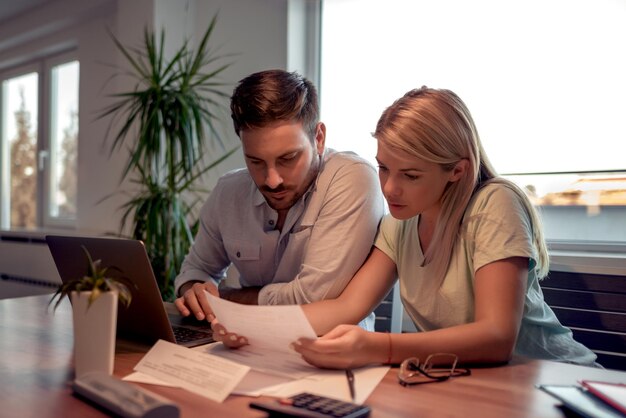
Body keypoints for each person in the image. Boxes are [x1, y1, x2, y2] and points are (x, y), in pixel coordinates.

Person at [287, 87, 598, 369]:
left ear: (457, 171)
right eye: (383, 168)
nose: (389, 189)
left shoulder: (495, 203)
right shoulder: (399, 221)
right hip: (478, 384)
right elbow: (346, 307)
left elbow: (497, 338)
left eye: (410, 175)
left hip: (561, 381)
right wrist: (250, 324)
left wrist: (378, 346)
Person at [173, 69, 385, 332]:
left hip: (330, 354)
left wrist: (227, 299)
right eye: (256, 161)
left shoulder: (352, 178)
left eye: (288, 159)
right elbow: (195, 270)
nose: (272, 180)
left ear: (318, 138)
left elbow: (315, 298)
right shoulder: (229, 191)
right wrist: (194, 290)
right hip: (243, 345)